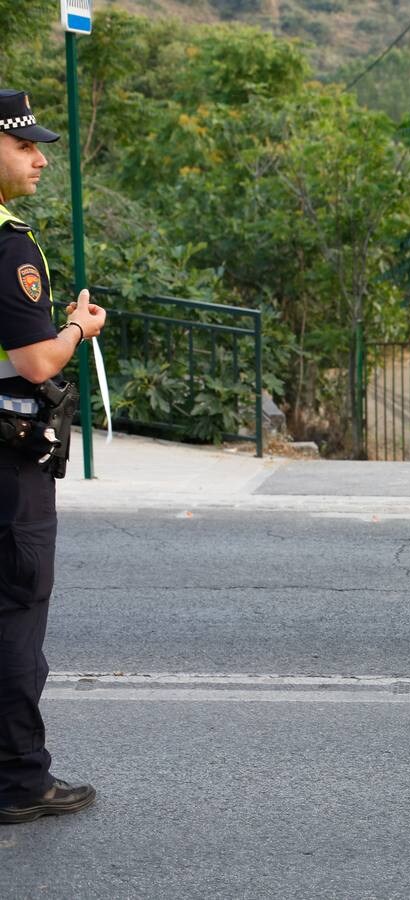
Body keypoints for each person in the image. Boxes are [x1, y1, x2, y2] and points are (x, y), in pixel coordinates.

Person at [0, 89, 106, 824]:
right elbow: (36, 361)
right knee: (15, 612)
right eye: (25, 145)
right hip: (7, 465)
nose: (40, 158)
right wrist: (76, 327)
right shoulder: (9, 244)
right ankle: (18, 782)